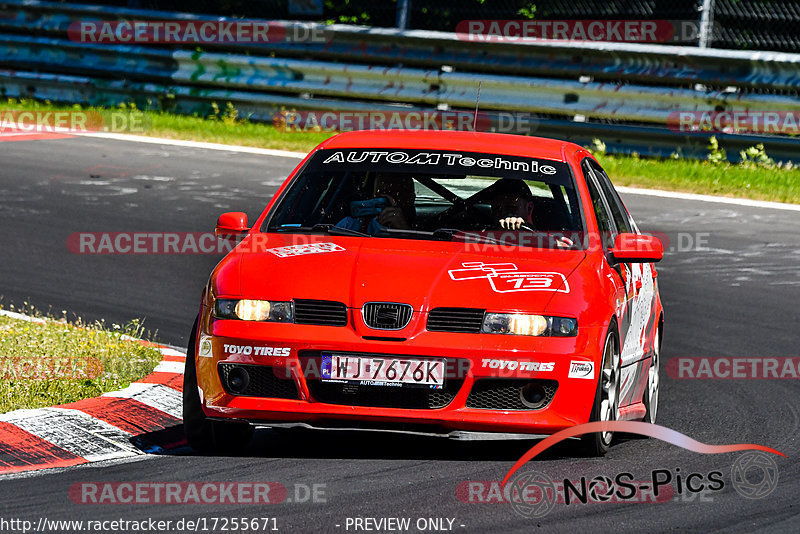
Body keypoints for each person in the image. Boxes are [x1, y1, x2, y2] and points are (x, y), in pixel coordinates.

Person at [337, 173, 416, 233]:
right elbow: (327, 242)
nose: (385, 199)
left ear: (410, 197)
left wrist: (404, 230)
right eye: (381, 192)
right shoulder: (350, 225)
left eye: (393, 193)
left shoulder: (424, 230)